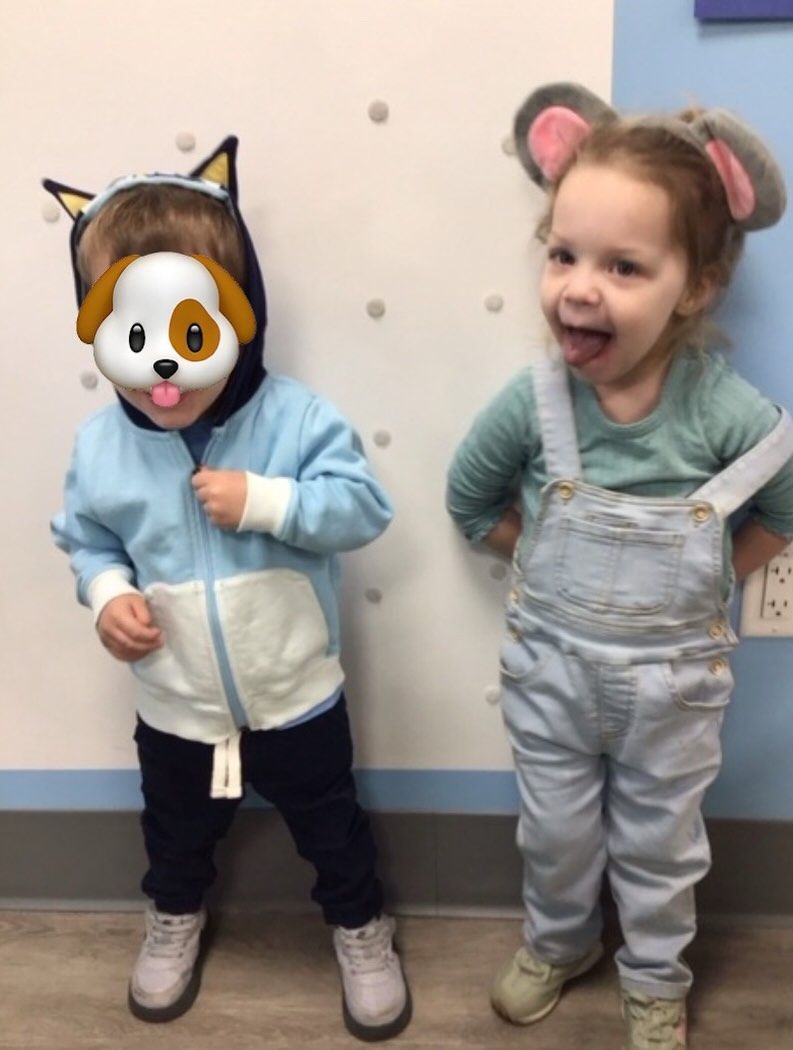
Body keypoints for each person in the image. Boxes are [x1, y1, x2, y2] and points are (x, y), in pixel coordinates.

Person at [446, 83, 793, 1050]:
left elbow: (792, 508)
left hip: (675, 689)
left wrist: (711, 577)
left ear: (692, 287)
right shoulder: (533, 403)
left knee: (661, 849)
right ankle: (561, 942)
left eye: (623, 266)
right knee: (556, 836)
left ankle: (656, 976)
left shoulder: (724, 413)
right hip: (552, 676)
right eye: (563, 255)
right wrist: (535, 560)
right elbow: (469, 501)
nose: (579, 286)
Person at [47, 137, 412, 1041]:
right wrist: (106, 597)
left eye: (190, 330)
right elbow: (86, 540)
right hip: (175, 705)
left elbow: (364, 508)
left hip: (295, 694)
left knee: (332, 827)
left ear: (238, 314)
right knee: (175, 836)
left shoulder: (295, 419)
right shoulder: (101, 448)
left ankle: (362, 928)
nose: (165, 368)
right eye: (136, 333)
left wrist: (269, 501)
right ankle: (174, 918)